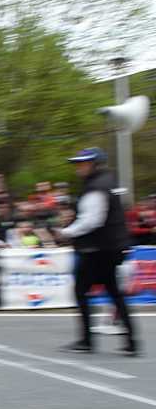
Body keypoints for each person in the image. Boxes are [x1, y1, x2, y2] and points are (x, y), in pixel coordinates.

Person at [58, 148, 139, 356]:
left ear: (95, 164)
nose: (78, 167)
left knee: (81, 291)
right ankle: (131, 341)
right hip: (108, 247)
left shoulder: (96, 188)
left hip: (98, 248)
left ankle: (87, 340)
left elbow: (92, 220)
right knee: (113, 292)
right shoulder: (106, 182)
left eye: (83, 163)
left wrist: (67, 232)